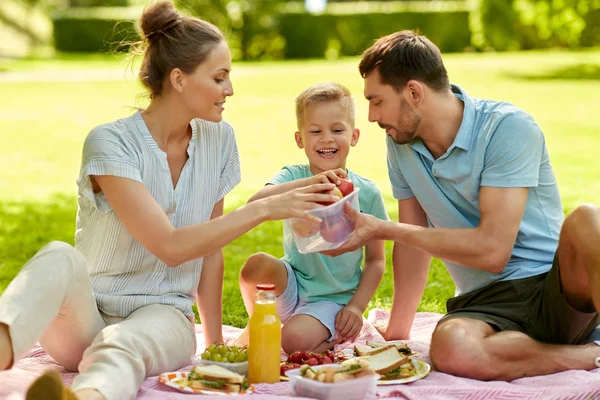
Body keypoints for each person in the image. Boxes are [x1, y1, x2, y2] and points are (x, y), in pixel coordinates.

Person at [0, 3, 340, 400]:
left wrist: (215, 347)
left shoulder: (219, 139)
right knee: (59, 256)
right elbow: (171, 246)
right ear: (179, 79)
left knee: (124, 345)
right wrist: (263, 208)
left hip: (165, 318)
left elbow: (210, 251)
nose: (229, 89)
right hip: (87, 315)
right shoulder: (110, 143)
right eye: (219, 77)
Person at [324, 30, 600, 380]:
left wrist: (381, 228)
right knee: (453, 347)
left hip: (552, 289)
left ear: (413, 92)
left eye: (377, 101)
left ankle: (535, 349)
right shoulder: (400, 145)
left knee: (589, 218)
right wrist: (397, 334)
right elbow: (413, 242)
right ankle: (586, 355)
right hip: (484, 305)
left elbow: (492, 251)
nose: (371, 116)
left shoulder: (507, 128)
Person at [235, 82, 388, 354]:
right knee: (255, 266)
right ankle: (259, 323)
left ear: (354, 136)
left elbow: (376, 260)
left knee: (292, 341)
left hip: (331, 299)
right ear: (300, 140)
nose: (327, 139)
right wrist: (310, 184)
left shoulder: (368, 193)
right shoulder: (293, 177)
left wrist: (355, 307)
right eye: (315, 131)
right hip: (292, 282)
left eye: (337, 130)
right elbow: (254, 204)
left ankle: (328, 342)